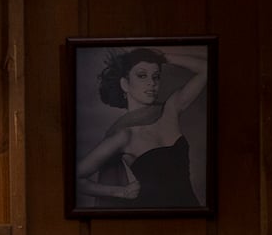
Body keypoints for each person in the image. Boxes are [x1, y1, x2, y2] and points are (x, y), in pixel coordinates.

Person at [75, 46, 208, 209]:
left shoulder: (171, 109)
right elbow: (75, 177)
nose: (152, 83)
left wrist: (163, 57)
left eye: (156, 76)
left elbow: (206, 69)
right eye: (142, 75)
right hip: (153, 222)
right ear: (125, 84)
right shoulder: (124, 135)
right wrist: (121, 192)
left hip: (192, 213)